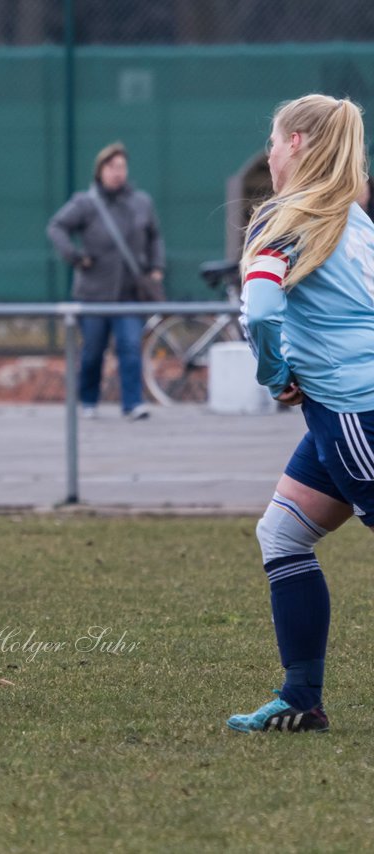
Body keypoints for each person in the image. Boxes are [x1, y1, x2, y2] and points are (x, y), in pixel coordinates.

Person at [228, 93, 374, 733]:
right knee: (283, 534)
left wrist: (274, 373)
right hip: (338, 414)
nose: (269, 153)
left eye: (275, 139)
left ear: (298, 146)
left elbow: (260, 312)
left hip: (354, 412)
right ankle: (300, 697)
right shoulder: (355, 219)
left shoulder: (286, 216)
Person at [47, 142, 166, 420]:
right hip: (93, 294)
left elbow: (155, 236)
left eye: (122, 167)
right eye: (111, 167)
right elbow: (57, 227)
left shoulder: (141, 202)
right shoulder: (85, 203)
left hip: (129, 293)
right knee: (92, 353)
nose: (117, 172)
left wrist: (156, 266)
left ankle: (133, 404)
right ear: (100, 171)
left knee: (130, 347)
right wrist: (75, 257)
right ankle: (88, 401)